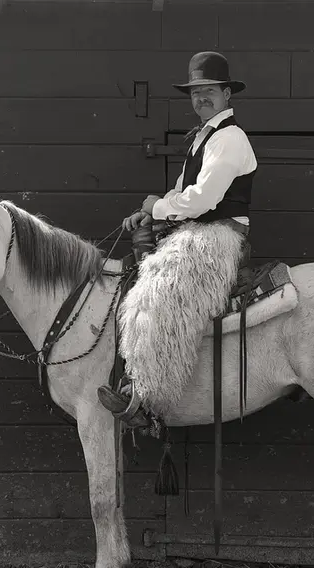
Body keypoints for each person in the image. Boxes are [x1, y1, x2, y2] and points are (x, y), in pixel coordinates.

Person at [98, 51, 258, 429]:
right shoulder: (203, 137)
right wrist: (152, 209)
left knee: (156, 295)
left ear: (227, 95)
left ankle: (149, 399)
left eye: (209, 91)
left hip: (217, 236)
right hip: (196, 230)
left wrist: (157, 209)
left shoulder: (229, 138)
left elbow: (203, 200)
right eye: (195, 91)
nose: (201, 98)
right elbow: (180, 194)